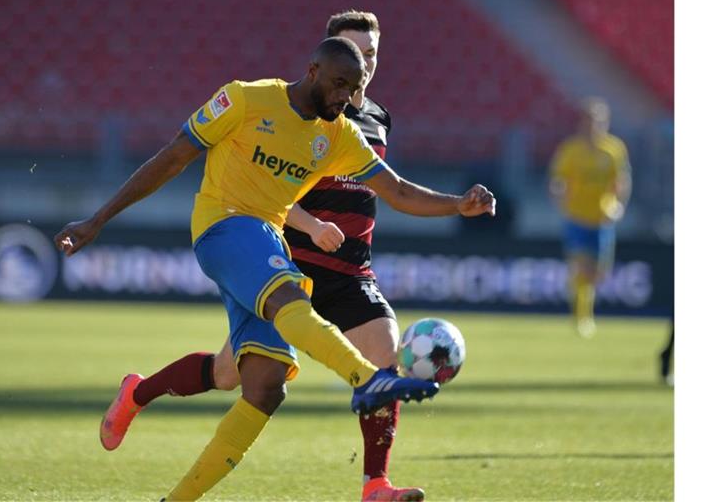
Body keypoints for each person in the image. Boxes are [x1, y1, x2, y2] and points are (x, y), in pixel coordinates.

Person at [56, 37, 495, 501]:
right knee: (289, 299)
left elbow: (399, 191)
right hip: (222, 225)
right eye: (339, 84)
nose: (345, 97)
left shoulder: (340, 133)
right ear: (312, 71)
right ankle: (366, 378)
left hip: (267, 238)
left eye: (354, 88)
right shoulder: (245, 99)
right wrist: (97, 219)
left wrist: (458, 206)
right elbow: (173, 157)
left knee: (264, 387)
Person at [549, 97, 631, 338]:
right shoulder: (570, 150)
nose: (592, 126)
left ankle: (579, 295)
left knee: (599, 273)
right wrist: (559, 194)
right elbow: (558, 179)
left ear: (605, 123)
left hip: (601, 218)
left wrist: (618, 205)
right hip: (576, 217)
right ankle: (583, 318)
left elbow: (621, 181)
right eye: (588, 121)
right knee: (581, 266)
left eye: (597, 122)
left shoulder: (614, 150)